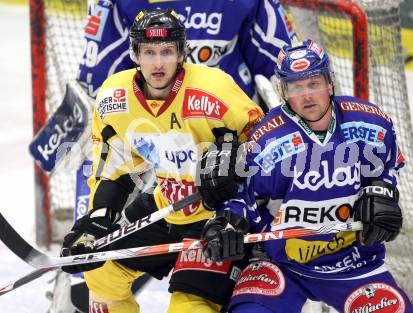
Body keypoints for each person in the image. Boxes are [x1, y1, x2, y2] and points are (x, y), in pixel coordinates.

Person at [60, 9, 264, 313]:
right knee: (100, 273)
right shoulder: (114, 98)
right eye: (149, 52)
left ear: (182, 53)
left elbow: (265, 141)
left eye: (167, 52)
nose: (158, 63)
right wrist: (98, 219)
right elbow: (114, 168)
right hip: (166, 205)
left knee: (188, 308)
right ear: (135, 54)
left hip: (217, 220)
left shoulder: (214, 89)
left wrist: (236, 169)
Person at [201, 39, 413, 312]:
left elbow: (388, 166)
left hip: (354, 262)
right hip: (282, 264)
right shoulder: (267, 141)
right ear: (284, 91)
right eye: (296, 86)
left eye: (313, 83)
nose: (307, 95)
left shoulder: (370, 122)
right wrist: (228, 221)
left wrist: (382, 189)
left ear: (330, 83)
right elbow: (243, 195)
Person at [78, 0, 296, 107]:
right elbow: (95, 85)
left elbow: (287, 66)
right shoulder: (119, 3)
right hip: (152, 136)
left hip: (233, 128)